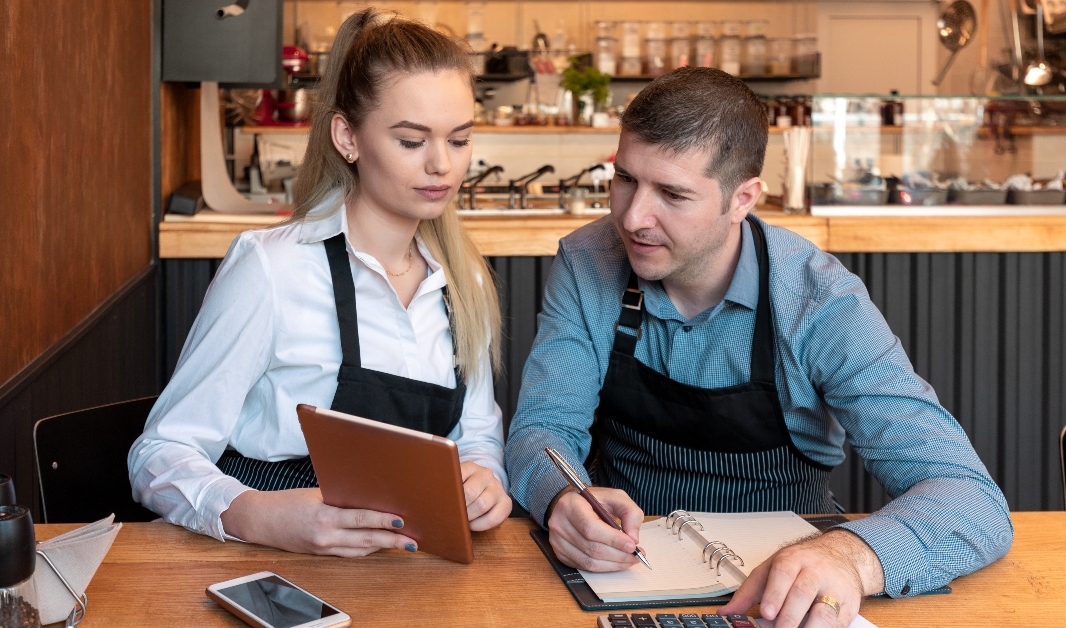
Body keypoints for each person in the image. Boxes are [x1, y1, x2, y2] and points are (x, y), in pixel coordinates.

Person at [504, 67, 1013, 628]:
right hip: (621, 581)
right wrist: (562, 499)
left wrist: (849, 558)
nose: (631, 217)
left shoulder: (818, 299)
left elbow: (971, 498)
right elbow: (541, 430)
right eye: (625, 178)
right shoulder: (588, 261)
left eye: (672, 194)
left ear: (742, 198)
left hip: (785, 600)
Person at [129, 10, 511, 556]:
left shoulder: (463, 281)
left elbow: (476, 436)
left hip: (410, 570)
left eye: (459, 140)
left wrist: (484, 478)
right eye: (411, 141)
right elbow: (158, 454)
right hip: (275, 564)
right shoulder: (272, 268)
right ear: (347, 137)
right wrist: (261, 517)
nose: (442, 166)